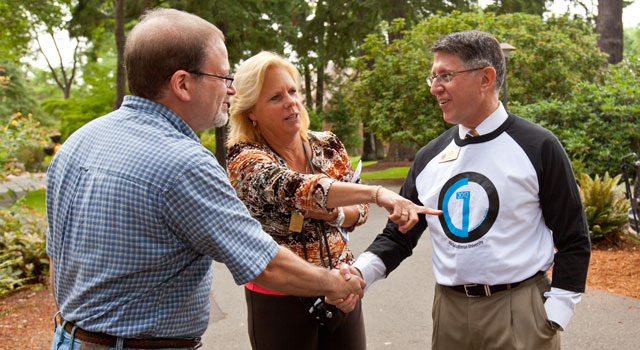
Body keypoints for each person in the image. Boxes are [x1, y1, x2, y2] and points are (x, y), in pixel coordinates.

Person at [46, 9, 368, 350]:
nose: (230, 91)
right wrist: (335, 284)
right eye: (223, 77)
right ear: (183, 83)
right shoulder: (184, 162)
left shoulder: (76, 144)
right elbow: (265, 264)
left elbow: (57, 257)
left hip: (70, 337)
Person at [344, 30, 591, 349]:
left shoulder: (537, 147)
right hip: (449, 313)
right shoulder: (428, 157)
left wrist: (557, 313)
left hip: (520, 310)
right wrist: (358, 275)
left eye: (445, 75)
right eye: (432, 77)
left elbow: (573, 236)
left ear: (486, 78)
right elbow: (398, 235)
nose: (435, 88)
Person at [225, 51, 441, 350]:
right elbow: (297, 188)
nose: (291, 101)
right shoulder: (244, 158)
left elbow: (360, 213)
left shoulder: (327, 145)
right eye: (275, 97)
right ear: (251, 111)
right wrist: (378, 193)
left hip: (341, 289)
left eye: (292, 91)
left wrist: (335, 215)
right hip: (281, 297)